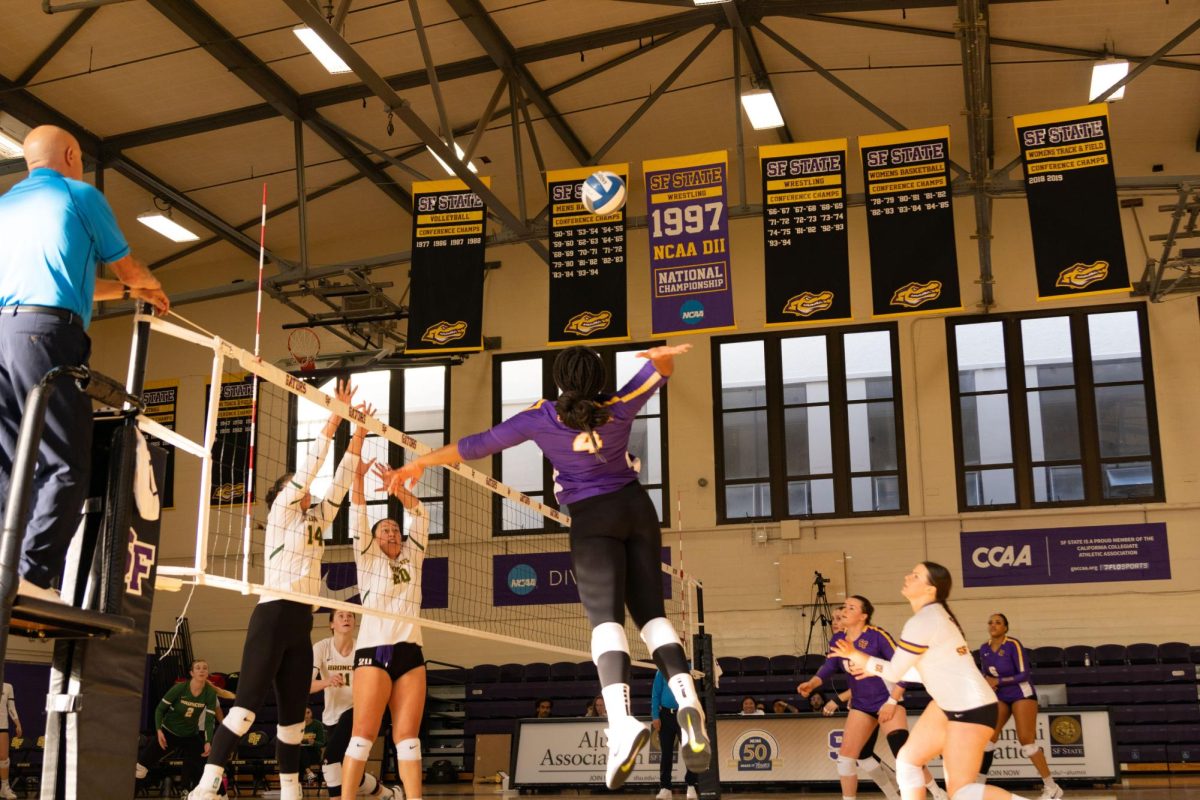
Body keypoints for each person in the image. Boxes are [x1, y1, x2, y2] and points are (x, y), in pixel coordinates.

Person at [377, 344, 708, 790]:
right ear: (599, 378)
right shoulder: (619, 405)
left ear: (559, 381)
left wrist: (419, 462)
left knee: (606, 621)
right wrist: (661, 356)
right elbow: (660, 373)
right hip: (637, 508)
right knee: (653, 616)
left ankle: (623, 722)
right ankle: (688, 699)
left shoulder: (542, 416)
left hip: (593, 518)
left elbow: (476, 446)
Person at [0, 124, 170, 602]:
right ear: (73, 154)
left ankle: (3, 566)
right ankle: (34, 575)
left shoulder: (6, 206)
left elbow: (74, 279)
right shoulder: (81, 194)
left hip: (2, 333)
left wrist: (129, 291)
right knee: (66, 462)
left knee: (9, 460)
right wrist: (150, 287)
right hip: (47, 336)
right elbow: (128, 267)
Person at [188, 381, 359, 800]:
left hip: (299, 624)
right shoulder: (283, 510)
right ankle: (205, 788)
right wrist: (334, 418)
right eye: (294, 485)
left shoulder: (315, 520)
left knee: (292, 722)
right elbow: (312, 468)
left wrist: (358, 436)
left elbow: (336, 486)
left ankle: (291, 793)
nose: (304, 489)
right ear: (283, 493)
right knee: (245, 710)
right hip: (272, 616)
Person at [832, 563, 1033, 800]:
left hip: (971, 708)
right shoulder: (932, 617)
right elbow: (923, 673)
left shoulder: (924, 621)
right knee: (907, 761)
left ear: (930, 589)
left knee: (962, 793)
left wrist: (860, 658)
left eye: (916, 575)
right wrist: (871, 666)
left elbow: (896, 671)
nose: (908, 576)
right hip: (947, 703)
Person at [342, 408, 428, 800]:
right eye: (384, 529)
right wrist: (358, 472)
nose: (391, 530)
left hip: (411, 650)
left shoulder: (414, 554)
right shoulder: (367, 555)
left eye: (394, 528)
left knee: (407, 736)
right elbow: (358, 513)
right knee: (364, 733)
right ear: (375, 539)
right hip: (373, 651)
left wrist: (399, 488)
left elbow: (420, 512)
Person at [799, 596, 945, 800]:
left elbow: (903, 669)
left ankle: (937, 793)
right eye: (844, 607)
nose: (844, 611)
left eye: (851, 607)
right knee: (845, 759)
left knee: (904, 757)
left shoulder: (877, 636)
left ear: (863, 616)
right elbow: (830, 666)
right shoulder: (838, 639)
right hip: (861, 705)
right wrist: (812, 683)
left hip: (887, 700)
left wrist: (892, 702)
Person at [312, 609, 393, 799]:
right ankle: (388, 794)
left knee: (330, 759)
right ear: (331, 624)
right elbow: (306, 686)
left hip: (359, 711)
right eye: (340, 616)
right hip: (332, 716)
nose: (346, 618)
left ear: (355, 623)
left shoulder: (362, 648)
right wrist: (327, 681)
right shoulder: (322, 648)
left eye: (350, 616)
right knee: (354, 776)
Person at [978, 614, 1061, 799]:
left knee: (1026, 742)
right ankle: (977, 786)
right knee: (988, 738)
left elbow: (1024, 674)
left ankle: (1052, 787)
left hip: (1021, 694)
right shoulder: (984, 648)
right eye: (990, 622)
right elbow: (985, 674)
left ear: (1006, 628)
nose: (993, 625)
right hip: (1000, 696)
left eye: (998, 622)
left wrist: (998, 680)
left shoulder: (1012, 644)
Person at [135, 659, 219, 792]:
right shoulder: (180, 688)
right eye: (198, 668)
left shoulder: (210, 693)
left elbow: (209, 720)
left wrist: (208, 741)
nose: (202, 670)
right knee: (140, 768)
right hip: (169, 732)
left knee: (209, 767)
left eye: (205, 668)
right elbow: (160, 709)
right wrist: (159, 731)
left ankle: (219, 796)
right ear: (192, 673)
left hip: (190, 735)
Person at [651, 668, 697, 800]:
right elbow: (656, 694)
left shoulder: (688, 667)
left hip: (685, 713)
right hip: (665, 715)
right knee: (666, 753)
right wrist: (655, 715)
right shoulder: (662, 669)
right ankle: (665, 788)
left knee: (689, 750)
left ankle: (691, 785)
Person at [0, 681, 21, 799]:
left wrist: (17, 724)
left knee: (3, 756)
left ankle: (4, 788)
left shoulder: (8, 687)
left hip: (2, 726)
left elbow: (11, 708)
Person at [301, 708, 326, 786]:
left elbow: (322, 743)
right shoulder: (298, 725)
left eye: (308, 713)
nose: (306, 715)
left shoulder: (317, 724)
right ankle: (309, 772)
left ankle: (299, 783)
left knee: (297, 757)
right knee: (299, 750)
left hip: (314, 753)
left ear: (311, 714)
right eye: (303, 713)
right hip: (302, 753)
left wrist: (314, 742)